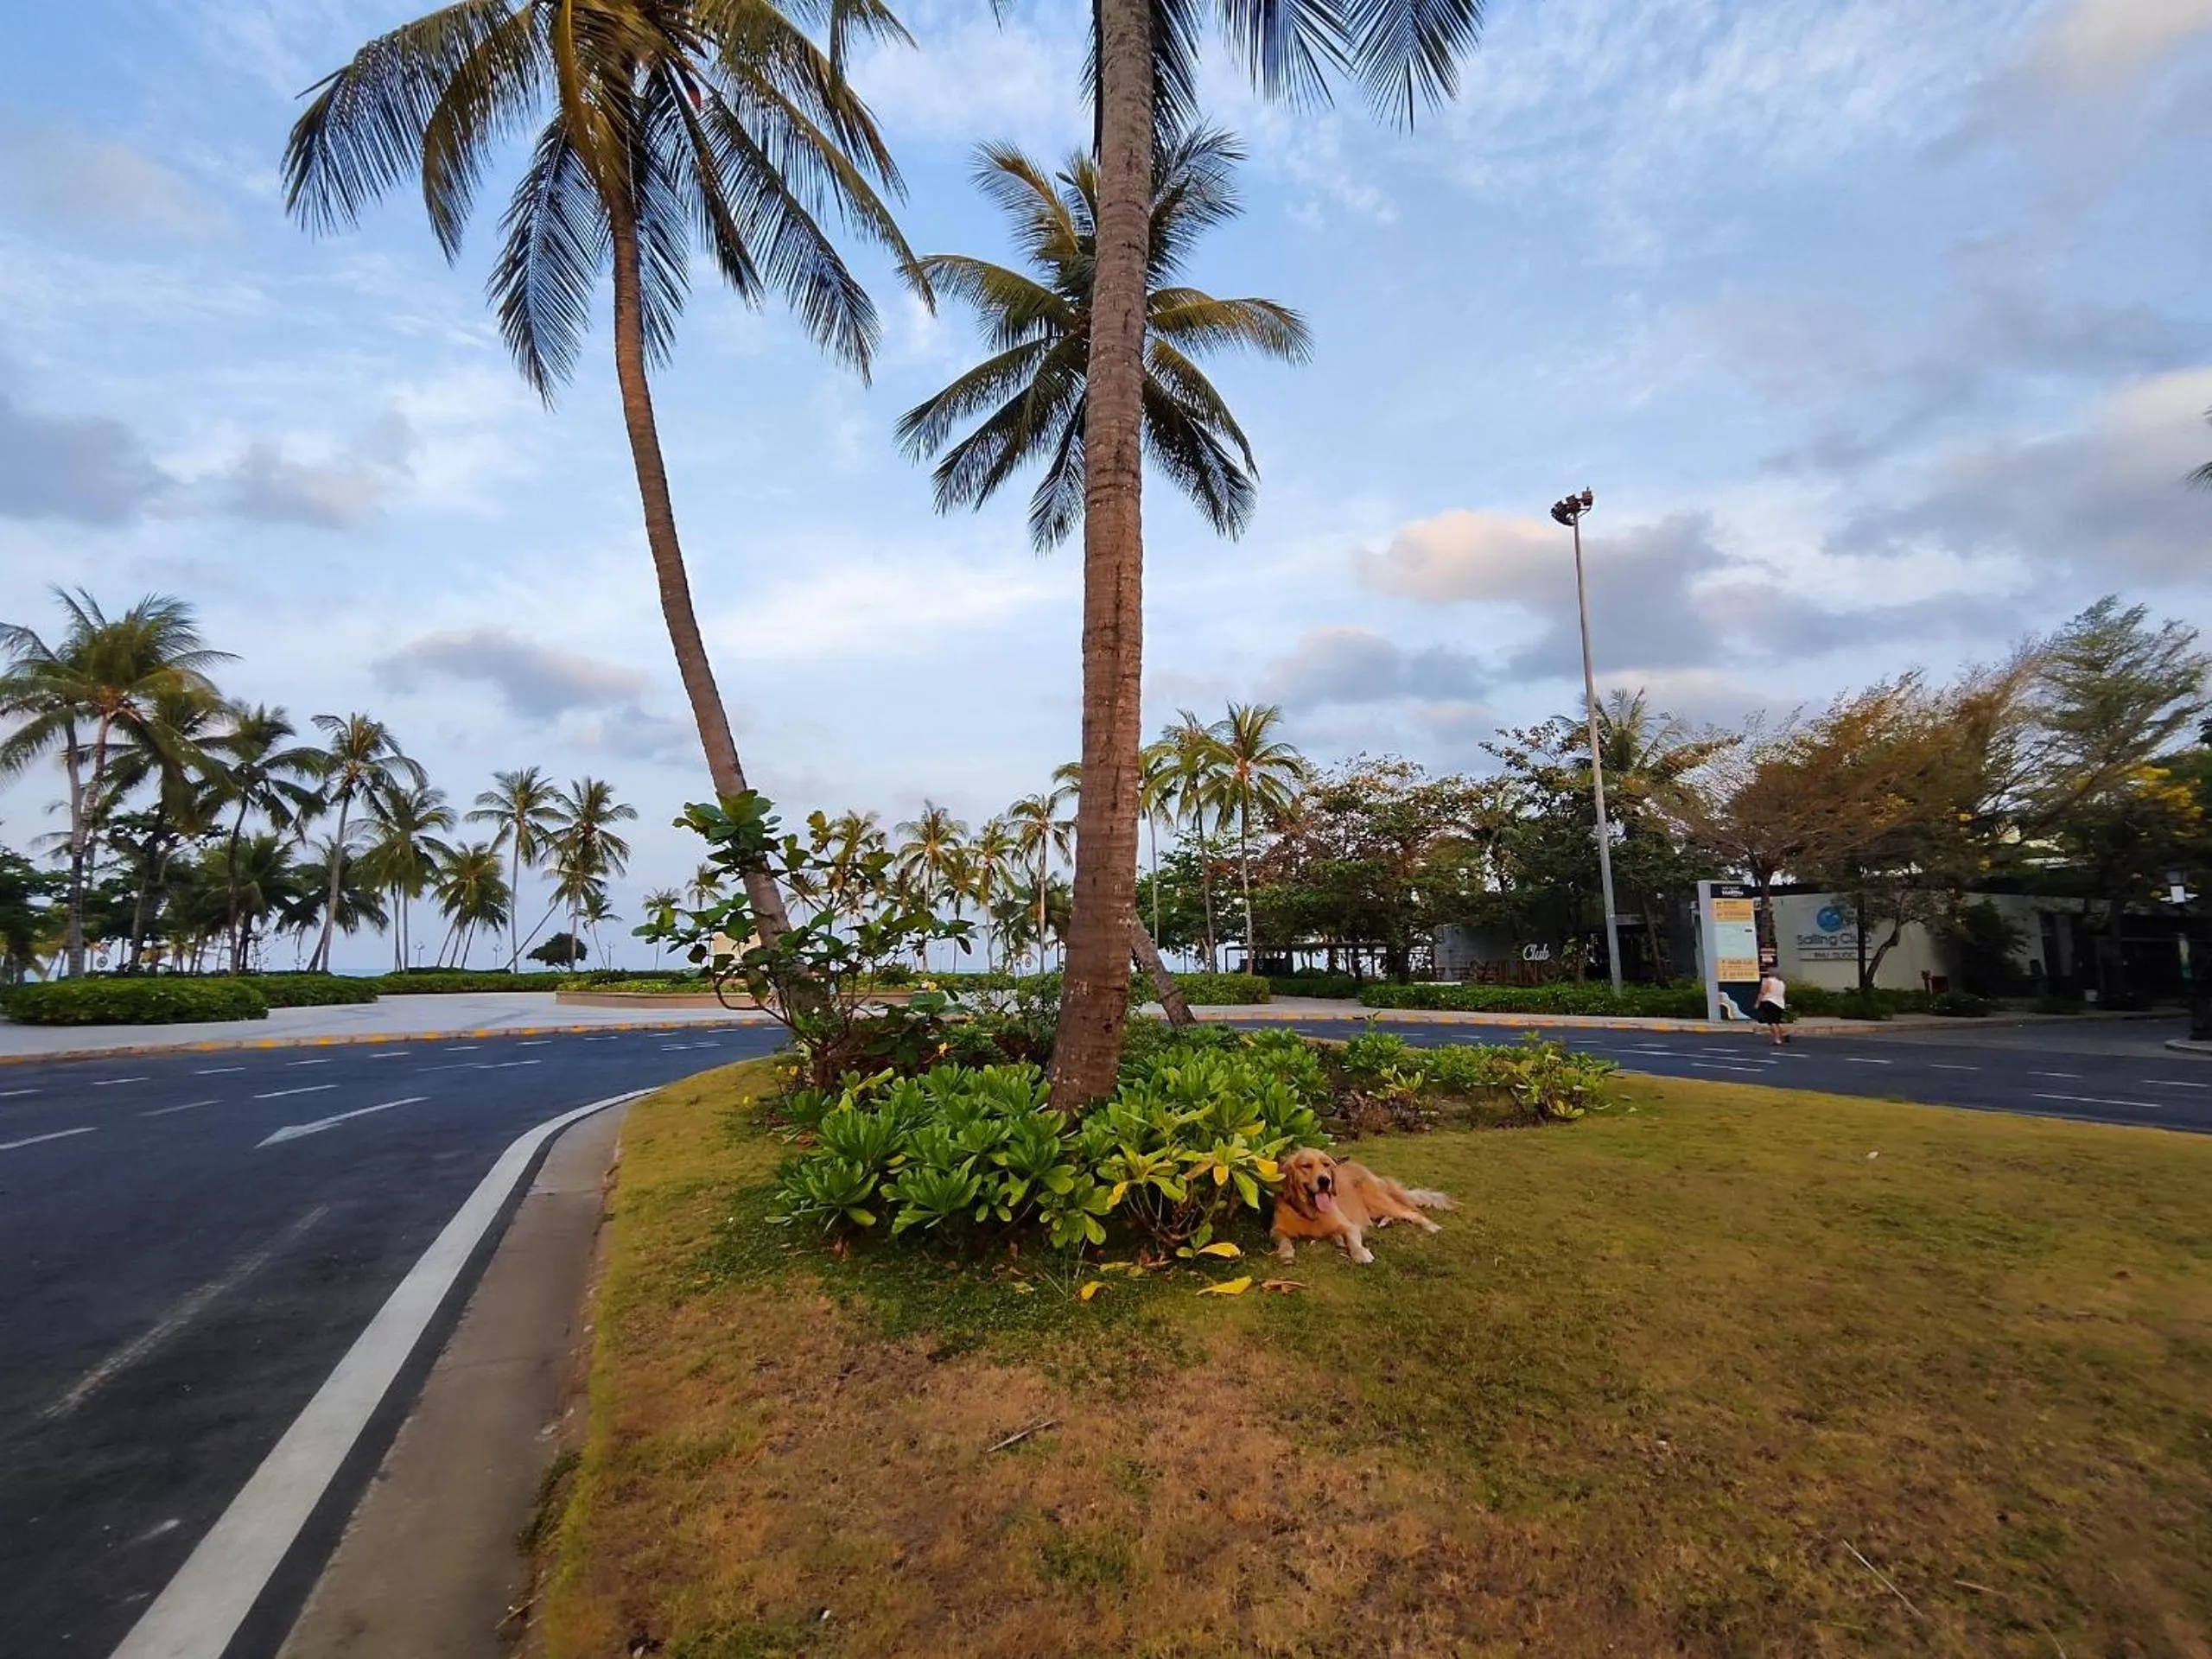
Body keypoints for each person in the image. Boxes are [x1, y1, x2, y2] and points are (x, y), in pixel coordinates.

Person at [1754, 968, 1789, 1046]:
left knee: (1772, 1022)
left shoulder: (1768, 981)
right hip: (1780, 1003)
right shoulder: (1781, 983)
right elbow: (1783, 995)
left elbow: (1762, 993)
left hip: (1770, 1002)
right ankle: (1784, 1033)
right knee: (1777, 1021)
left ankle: (1777, 1039)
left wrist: (1757, 1003)